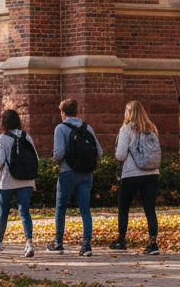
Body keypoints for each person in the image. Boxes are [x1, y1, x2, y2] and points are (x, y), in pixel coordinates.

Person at [48, 97, 102, 256]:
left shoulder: (60, 128)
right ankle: (86, 245)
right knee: (85, 209)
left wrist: (56, 161)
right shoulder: (87, 127)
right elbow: (99, 152)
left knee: (61, 207)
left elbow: (58, 154)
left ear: (63, 112)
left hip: (67, 172)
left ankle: (59, 243)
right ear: (76, 111)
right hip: (86, 173)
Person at [109, 100, 161, 255]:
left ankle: (121, 240)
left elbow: (120, 155)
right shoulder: (151, 129)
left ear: (128, 113)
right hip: (152, 173)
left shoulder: (126, 129)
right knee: (150, 209)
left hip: (132, 173)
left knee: (124, 207)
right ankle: (152, 243)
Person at [0, 109, 37, 258]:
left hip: (7, 181)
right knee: (25, 212)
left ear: (3, 122)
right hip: (26, 180)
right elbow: (35, 158)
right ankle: (29, 242)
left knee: (3, 212)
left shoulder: (1, 139)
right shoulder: (26, 136)